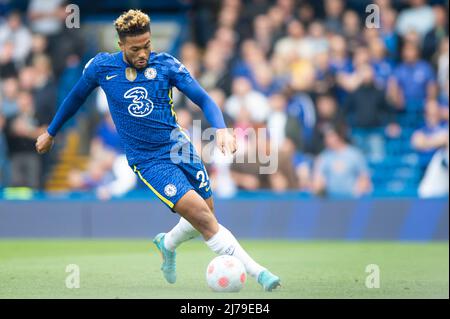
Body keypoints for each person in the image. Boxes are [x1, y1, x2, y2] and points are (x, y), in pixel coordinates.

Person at [35, 9, 280, 291]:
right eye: (136, 48)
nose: (143, 53)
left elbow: (203, 98)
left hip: (180, 147)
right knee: (203, 218)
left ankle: (167, 243)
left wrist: (222, 128)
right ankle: (259, 273)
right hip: (149, 160)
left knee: (207, 213)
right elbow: (75, 97)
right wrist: (51, 132)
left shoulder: (166, 65)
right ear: (121, 46)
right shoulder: (101, 68)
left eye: (147, 46)